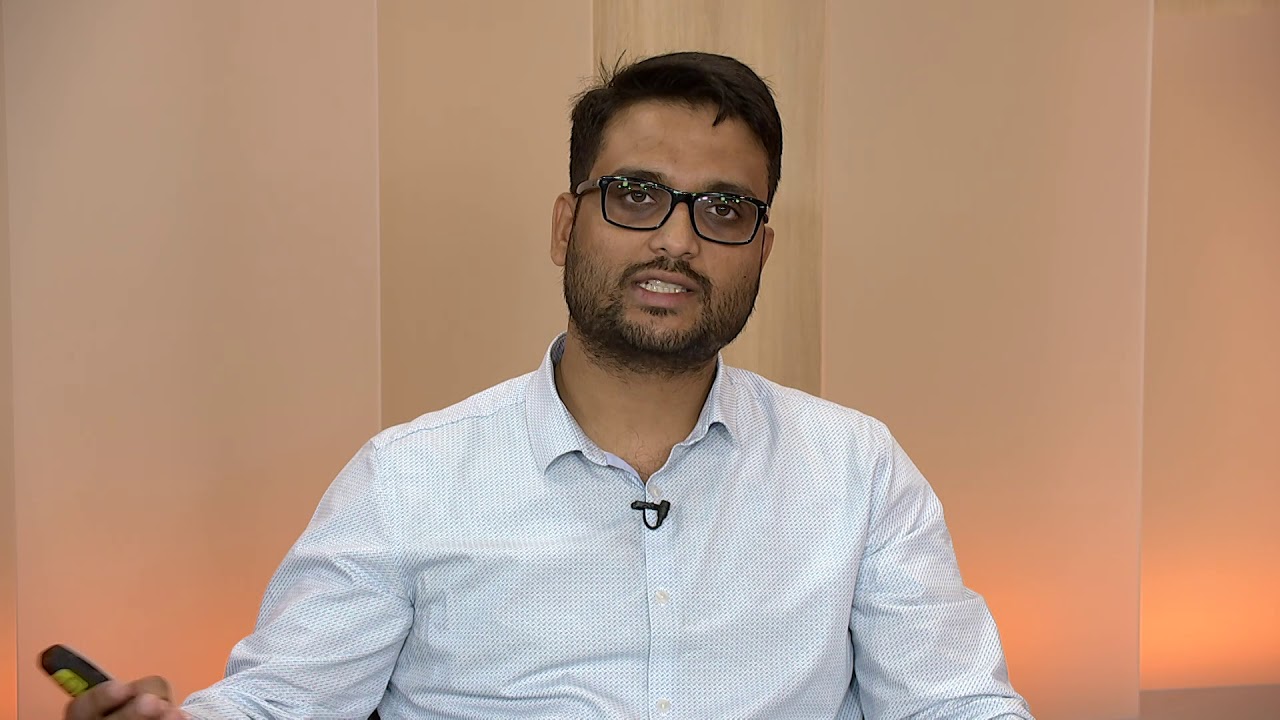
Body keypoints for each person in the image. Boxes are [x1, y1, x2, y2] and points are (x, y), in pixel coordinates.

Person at [66, 51, 1033, 720]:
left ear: (762, 249)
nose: (677, 240)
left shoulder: (855, 471)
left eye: (724, 208)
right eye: (637, 194)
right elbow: (280, 703)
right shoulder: (410, 480)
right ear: (568, 225)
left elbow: (953, 699)